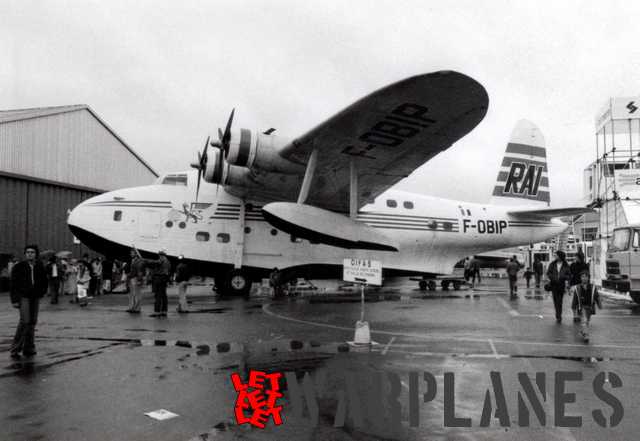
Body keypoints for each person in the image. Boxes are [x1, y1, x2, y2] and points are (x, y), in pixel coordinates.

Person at [9, 245, 47, 359]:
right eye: (28, 252)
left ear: (36, 254)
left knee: (32, 322)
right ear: (25, 254)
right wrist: (15, 300)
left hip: (35, 297)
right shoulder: (19, 267)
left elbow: (44, 281)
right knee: (25, 321)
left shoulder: (39, 267)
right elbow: (13, 284)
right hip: (23, 296)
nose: (30, 254)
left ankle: (29, 348)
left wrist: (42, 292)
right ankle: (15, 348)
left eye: (32, 252)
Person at [571, 270, 602, 342]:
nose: (584, 278)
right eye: (582, 277)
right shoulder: (577, 288)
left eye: (586, 277)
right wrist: (574, 313)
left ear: (588, 278)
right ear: (580, 278)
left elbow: (597, 296)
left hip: (590, 308)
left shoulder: (593, 287)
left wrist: (599, 304)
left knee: (586, 321)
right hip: (581, 308)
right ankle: (586, 335)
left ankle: (583, 332)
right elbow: (574, 300)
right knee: (584, 321)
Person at [547, 250, 571, 323]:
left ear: (560, 256)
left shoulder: (566, 265)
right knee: (555, 301)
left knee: (559, 301)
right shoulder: (552, 264)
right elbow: (548, 273)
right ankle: (558, 314)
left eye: (556, 255)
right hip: (554, 285)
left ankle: (559, 315)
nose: (555, 256)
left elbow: (569, 275)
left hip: (561, 285)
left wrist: (563, 277)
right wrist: (553, 278)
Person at [145, 249, 171, 317]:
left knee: (158, 296)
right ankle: (164, 311)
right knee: (163, 296)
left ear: (162, 255)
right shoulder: (168, 262)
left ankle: (157, 312)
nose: (159, 256)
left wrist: (146, 260)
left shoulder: (162, 260)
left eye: (160, 255)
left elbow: (156, 263)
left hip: (159, 279)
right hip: (164, 279)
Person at [126, 249, 146, 313]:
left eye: (132, 253)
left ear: (136, 254)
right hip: (132, 278)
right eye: (131, 253)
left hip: (136, 278)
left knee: (137, 294)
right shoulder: (132, 260)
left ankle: (137, 308)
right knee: (132, 294)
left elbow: (140, 271)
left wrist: (139, 280)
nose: (131, 254)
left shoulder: (139, 261)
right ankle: (131, 307)